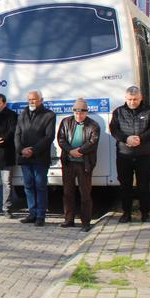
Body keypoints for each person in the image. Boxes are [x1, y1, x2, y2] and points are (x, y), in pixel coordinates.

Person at [109, 85, 150, 223]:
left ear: (141, 97)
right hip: (124, 155)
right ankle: (126, 213)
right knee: (125, 186)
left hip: (143, 154)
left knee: (144, 185)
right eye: (130, 99)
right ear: (125, 98)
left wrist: (140, 139)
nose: (132, 102)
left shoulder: (149, 111)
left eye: (135, 99)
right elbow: (114, 130)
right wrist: (126, 139)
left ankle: (145, 214)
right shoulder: (118, 112)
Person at [56, 98, 100, 232]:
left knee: (85, 193)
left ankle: (86, 222)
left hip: (84, 164)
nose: (78, 116)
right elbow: (61, 139)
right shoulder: (66, 122)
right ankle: (69, 220)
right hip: (69, 162)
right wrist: (70, 151)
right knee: (68, 192)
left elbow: (93, 142)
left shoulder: (93, 125)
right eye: (76, 113)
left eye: (81, 113)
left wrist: (79, 151)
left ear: (86, 113)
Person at [14, 90, 55, 226]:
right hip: (25, 157)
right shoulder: (22, 114)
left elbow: (49, 137)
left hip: (40, 157)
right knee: (28, 186)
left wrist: (33, 150)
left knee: (40, 186)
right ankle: (32, 213)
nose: (31, 102)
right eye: (29, 99)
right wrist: (21, 149)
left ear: (41, 100)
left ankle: (40, 216)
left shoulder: (49, 115)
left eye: (34, 99)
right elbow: (17, 134)